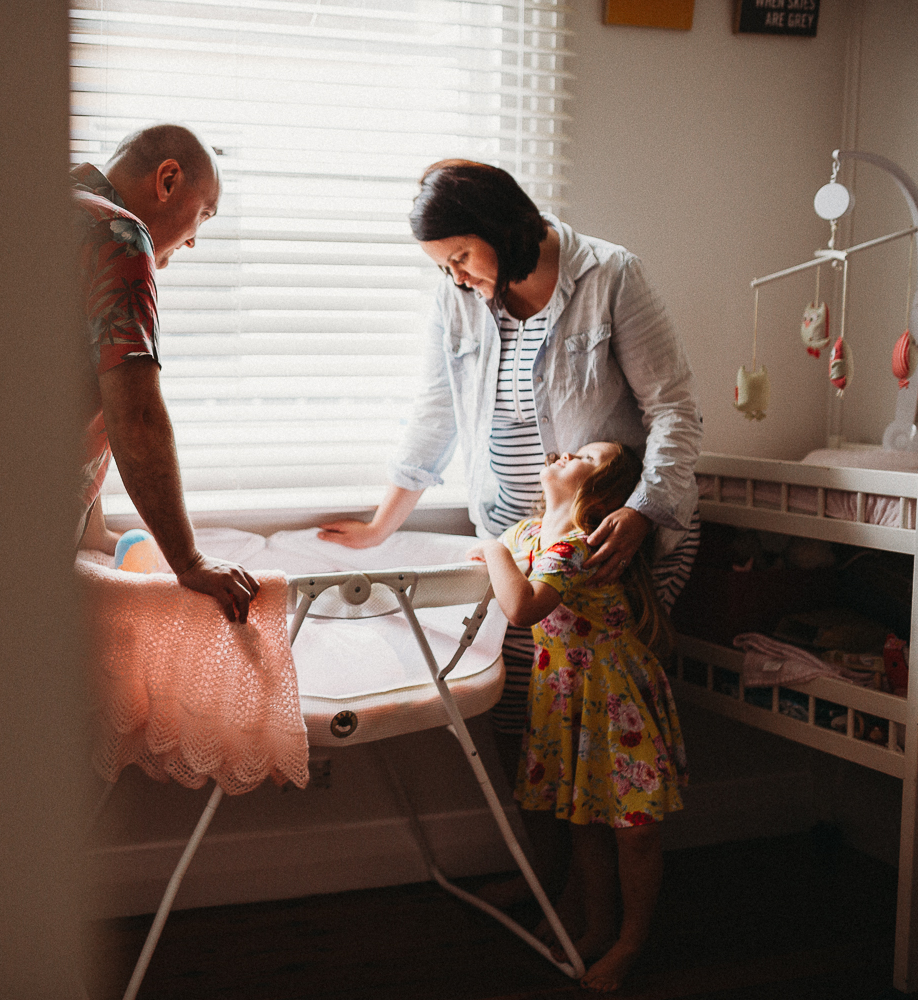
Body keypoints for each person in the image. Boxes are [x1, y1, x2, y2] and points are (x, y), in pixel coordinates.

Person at [317, 158, 701, 771]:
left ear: (501, 226)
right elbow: (435, 413)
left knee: (604, 725)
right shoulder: (458, 299)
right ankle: (555, 872)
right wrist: (377, 528)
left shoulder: (610, 276)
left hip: (608, 539)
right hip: (521, 545)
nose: (457, 278)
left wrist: (643, 512)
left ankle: (604, 860)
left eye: (462, 258)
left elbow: (674, 410)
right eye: (445, 267)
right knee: (531, 734)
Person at [467, 441, 687, 993]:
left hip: (614, 704)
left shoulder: (576, 544)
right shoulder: (529, 534)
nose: (568, 453)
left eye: (587, 457)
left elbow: (522, 607)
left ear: (600, 493)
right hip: (568, 702)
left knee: (635, 831)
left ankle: (630, 942)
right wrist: (502, 551)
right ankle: (597, 927)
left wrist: (492, 550)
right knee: (584, 821)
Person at [71, 123, 259, 623]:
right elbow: (135, 414)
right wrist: (189, 562)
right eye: (203, 215)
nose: (194, 241)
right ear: (168, 179)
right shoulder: (119, 235)